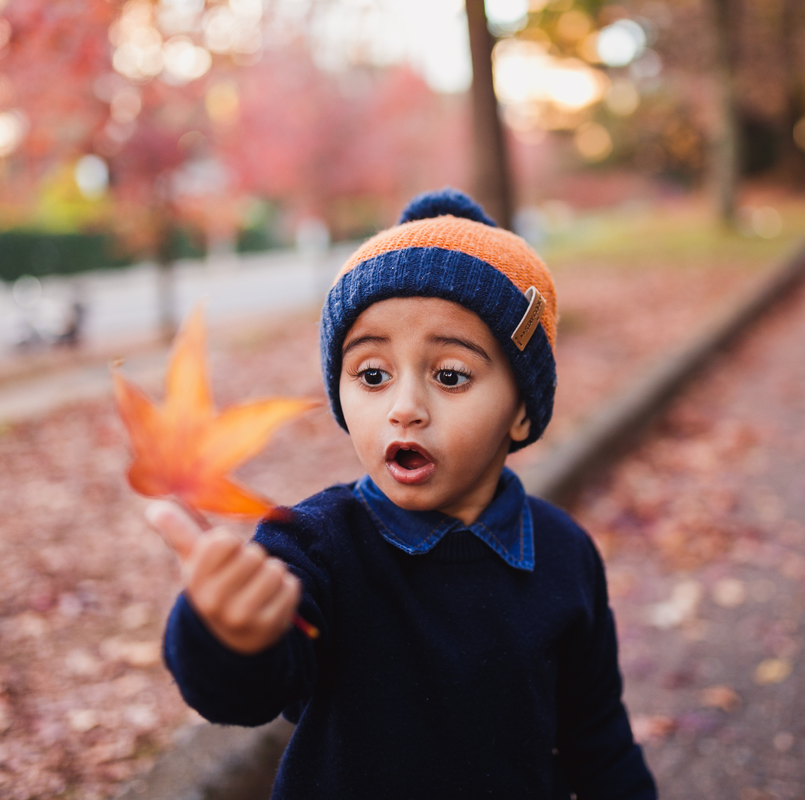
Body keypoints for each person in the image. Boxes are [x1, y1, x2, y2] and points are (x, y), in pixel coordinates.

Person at [148, 188, 658, 799]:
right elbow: (252, 693)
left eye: (449, 375)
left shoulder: (563, 555)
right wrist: (227, 635)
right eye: (372, 375)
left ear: (521, 413)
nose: (405, 408)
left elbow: (598, 739)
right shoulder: (314, 545)